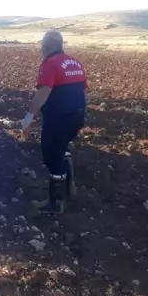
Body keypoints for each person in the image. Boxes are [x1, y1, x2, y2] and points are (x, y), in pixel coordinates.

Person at [20, 31, 87, 214]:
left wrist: (28, 119)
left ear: (46, 47)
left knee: (52, 156)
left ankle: (55, 204)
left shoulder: (50, 63)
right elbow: (80, 90)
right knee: (62, 148)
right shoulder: (76, 63)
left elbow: (44, 92)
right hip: (77, 117)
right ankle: (69, 187)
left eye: (42, 46)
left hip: (59, 118)